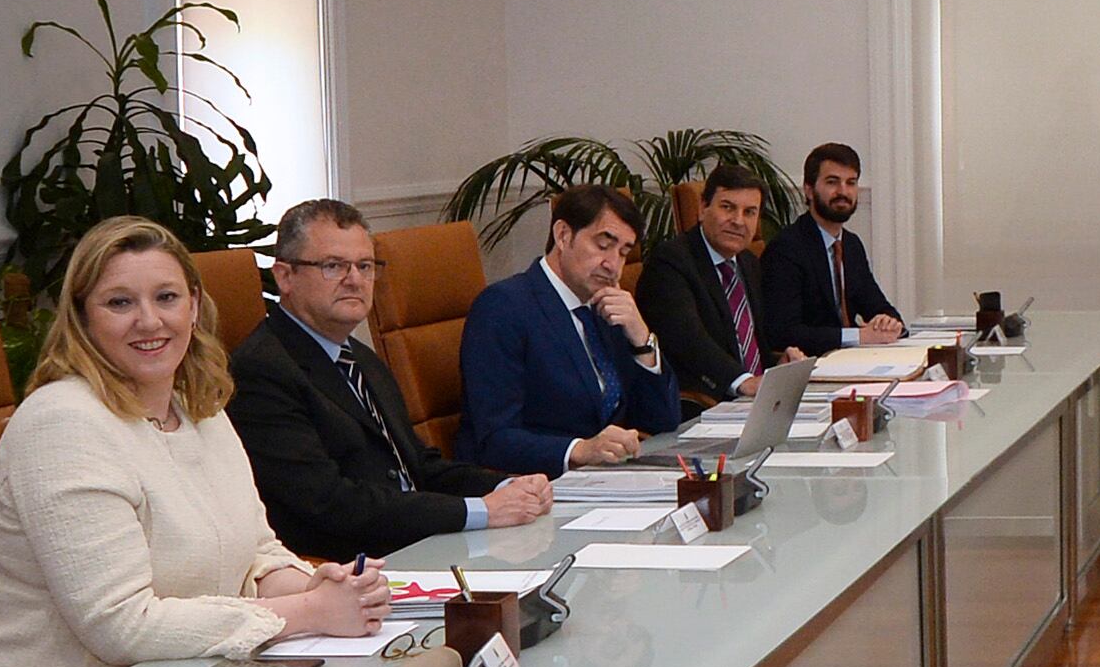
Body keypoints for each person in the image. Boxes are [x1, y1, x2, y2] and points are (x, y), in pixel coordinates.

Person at [0, 218, 392, 667]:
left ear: (195, 306)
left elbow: (256, 552)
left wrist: (327, 587)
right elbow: (121, 626)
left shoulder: (197, 405)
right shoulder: (62, 426)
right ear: (81, 318)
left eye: (166, 297)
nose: (149, 321)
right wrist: (309, 612)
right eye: (119, 303)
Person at [226, 198, 555, 563]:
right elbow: (330, 503)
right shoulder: (262, 371)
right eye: (333, 266)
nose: (354, 279)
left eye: (364, 266)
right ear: (285, 276)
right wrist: (481, 511)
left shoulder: (357, 356)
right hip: (348, 569)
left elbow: (419, 465)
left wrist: (506, 486)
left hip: (420, 545)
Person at [460, 184, 682, 474]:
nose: (613, 265)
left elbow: (663, 420)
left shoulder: (606, 307)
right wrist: (580, 450)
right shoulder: (504, 308)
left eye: (623, 252)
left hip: (609, 479)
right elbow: (493, 438)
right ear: (563, 235)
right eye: (603, 245)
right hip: (537, 486)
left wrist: (641, 338)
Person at [637, 161, 801, 401]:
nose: (738, 220)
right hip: (704, 403)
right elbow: (689, 342)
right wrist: (743, 382)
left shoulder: (748, 263)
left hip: (752, 401)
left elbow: (747, 345)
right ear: (703, 208)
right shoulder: (670, 262)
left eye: (749, 212)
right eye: (728, 207)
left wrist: (778, 366)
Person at [766, 142, 903, 355]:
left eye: (851, 183)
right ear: (809, 190)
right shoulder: (787, 248)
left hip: (852, 361)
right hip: (811, 367)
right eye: (832, 182)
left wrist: (888, 322)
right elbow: (783, 332)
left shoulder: (851, 245)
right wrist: (858, 336)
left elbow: (879, 307)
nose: (843, 192)